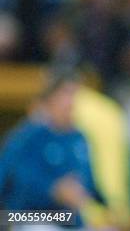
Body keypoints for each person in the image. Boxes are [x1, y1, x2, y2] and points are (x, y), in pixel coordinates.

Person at [0, 72, 109, 229]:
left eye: (74, 95)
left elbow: (90, 186)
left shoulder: (79, 138)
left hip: (71, 220)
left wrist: (107, 210)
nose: (71, 102)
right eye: (65, 95)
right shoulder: (28, 136)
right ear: (50, 98)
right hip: (30, 217)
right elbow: (15, 180)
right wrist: (53, 190)